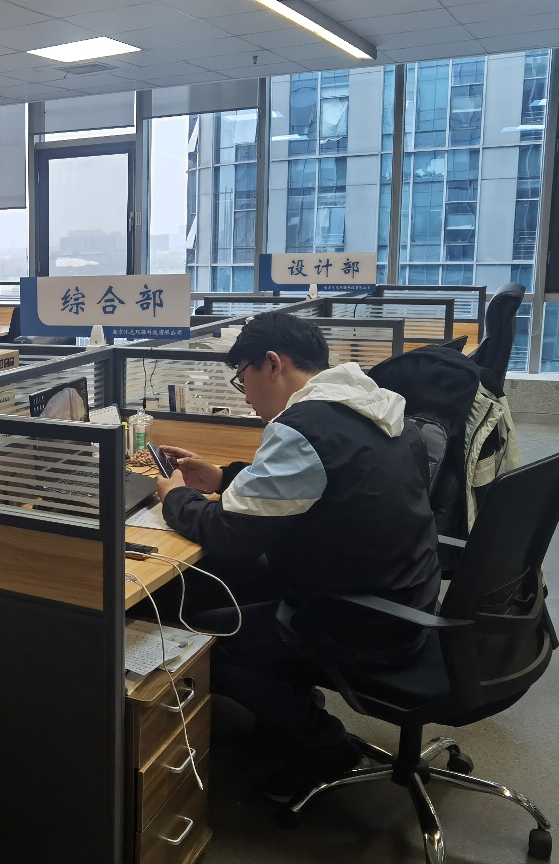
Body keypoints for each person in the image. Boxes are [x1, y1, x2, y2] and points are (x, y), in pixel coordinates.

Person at [154, 311, 440, 802]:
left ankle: (322, 742)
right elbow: (325, 483)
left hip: (360, 618)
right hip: (406, 596)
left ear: (272, 364)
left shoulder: (303, 427)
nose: (244, 394)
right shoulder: (370, 403)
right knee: (237, 584)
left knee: (209, 641)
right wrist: (224, 478)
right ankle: (286, 709)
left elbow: (231, 533)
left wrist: (175, 497)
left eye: (241, 376)